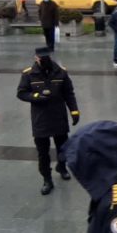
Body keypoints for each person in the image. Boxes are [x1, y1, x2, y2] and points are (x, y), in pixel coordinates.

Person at [17, 47, 80, 195]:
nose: (43, 60)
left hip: (58, 116)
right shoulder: (28, 74)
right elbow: (21, 93)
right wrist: (36, 97)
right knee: (43, 153)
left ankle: (62, 167)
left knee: (63, 147)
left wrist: (74, 111)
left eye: (45, 58)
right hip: (41, 119)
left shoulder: (60, 72)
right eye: (41, 58)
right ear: (36, 58)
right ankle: (47, 179)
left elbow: (69, 93)